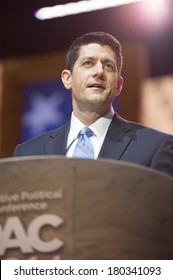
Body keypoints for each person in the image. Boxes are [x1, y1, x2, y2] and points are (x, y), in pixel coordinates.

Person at [13, 31, 173, 177]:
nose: (99, 72)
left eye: (108, 66)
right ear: (67, 79)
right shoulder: (27, 154)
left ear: (118, 85)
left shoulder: (155, 148)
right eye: (88, 63)